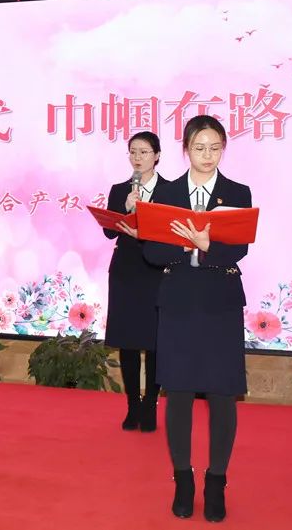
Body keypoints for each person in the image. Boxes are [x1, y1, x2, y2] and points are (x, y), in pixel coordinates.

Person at [142, 115, 252, 523]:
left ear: (223, 149)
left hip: (220, 302)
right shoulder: (166, 192)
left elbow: (240, 248)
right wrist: (185, 243)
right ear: (186, 149)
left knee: (223, 395)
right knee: (180, 394)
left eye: (215, 148)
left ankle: (217, 481)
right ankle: (183, 481)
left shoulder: (237, 192)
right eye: (200, 148)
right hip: (179, 302)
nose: (207, 156)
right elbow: (151, 251)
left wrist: (208, 245)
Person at [102, 131, 166, 433]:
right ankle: (132, 406)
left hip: (156, 271)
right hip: (125, 271)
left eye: (144, 152)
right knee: (127, 341)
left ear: (157, 155)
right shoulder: (119, 190)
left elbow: (171, 232)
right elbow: (109, 232)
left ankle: (150, 404)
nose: (137, 158)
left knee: (155, 343)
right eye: (133, 152)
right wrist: (125, 209)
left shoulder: (170, 190)